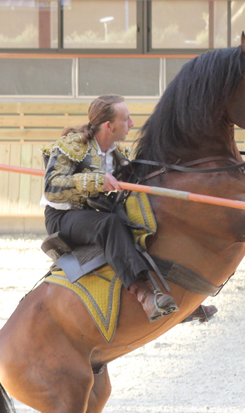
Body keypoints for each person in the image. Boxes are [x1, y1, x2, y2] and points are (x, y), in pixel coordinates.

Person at [40, 95, 178, 322]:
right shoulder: (71, 146)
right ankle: (144, 295)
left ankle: (179, 295)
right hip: (63, 217)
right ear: (108, 125)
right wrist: (96, 181)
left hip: (95, 213)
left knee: (143, 223)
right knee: (110, 224)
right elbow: (51, 187)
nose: (132, 124)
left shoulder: (117, 154)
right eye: (126, 119)